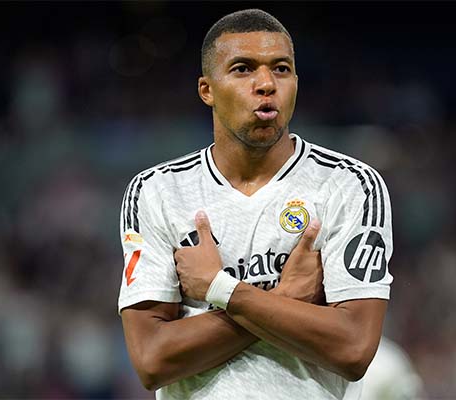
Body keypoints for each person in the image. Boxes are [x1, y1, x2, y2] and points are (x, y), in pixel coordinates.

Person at [118, 9, 393, 400]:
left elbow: (353, 349)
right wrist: (283, 300)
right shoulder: (158, 191)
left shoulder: (349, 186)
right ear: (207, 90)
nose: (266, 84)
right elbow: (152, 360)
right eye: (243, 69)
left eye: (281, 69)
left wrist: (221, 289)